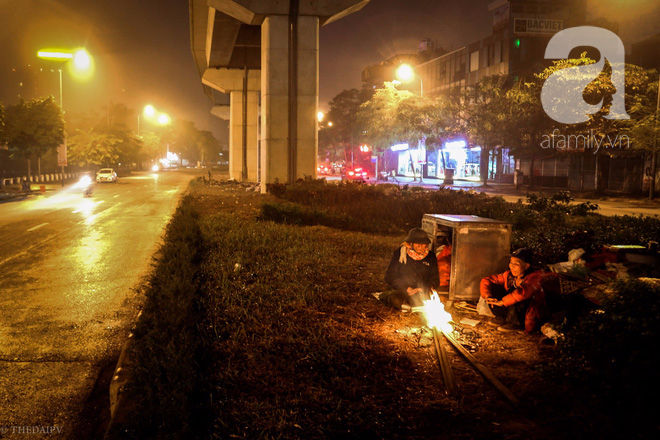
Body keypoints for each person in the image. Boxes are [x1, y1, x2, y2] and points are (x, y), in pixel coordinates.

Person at [480, 248, 554, 333]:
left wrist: (503, 302)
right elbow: (486, 280)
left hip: (528, 313)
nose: (512, 266)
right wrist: (487, 296)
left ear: (527, 266)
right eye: (511, 263)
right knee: (494, 287)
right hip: (510, 307)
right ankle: (501, 317)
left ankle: (516, 323)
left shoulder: (535, 277)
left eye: (516, 264)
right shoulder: (509, 275)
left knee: (518, 295)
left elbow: (522, 293)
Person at [381, 228, 439, 312]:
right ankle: (403, 304)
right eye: (418, 245)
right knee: (395, 299)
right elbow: (389, 276)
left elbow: (435, 280)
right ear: (410, 244)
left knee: (423, 301)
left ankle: (411, 306)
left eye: (424, 245)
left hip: (421, 292)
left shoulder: (431, 257)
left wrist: (422, 288)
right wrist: (406, 288)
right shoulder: (400, 254)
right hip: (403, 290)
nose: (421, 248)